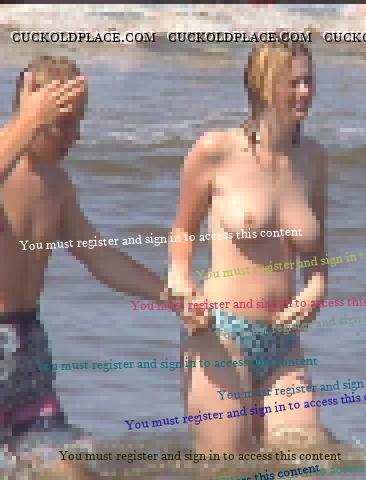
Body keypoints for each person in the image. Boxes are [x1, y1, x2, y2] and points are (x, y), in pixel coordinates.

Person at [0, 55, 198, 479]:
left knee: (71, 467)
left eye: (80, 121)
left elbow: (98, 255)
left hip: (28, 350)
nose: (76, 135)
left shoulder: (56, 185)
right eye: (63, 122)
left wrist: (167, 294)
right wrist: (27, 122)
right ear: (31, 109)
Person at [169, 41, 332, 453]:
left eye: (308, 81)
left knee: (306, 460)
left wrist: (316, 288)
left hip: (284, 344)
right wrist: (181, 279)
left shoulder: (314, 159)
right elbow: (183, 231)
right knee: (226, 467)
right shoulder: (216, 150)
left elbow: (316, 256)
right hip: (221, 333)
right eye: (292, 82)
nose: (305, 92)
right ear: (263, 85)